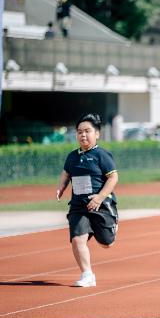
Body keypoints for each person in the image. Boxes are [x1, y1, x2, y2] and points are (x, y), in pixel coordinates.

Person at [56, 114, 119, 287]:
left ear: (97, 134)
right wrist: (61, 187)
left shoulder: (102, 155)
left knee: (107, 243)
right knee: (77, 239)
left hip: (101, 204)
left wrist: (100, 197)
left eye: (87, 131)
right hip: (78, 206)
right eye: (79, 132)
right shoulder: (72, 157)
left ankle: (111, 224)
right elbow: (66, 174)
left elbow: (113, 177)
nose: (83, 135)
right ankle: (87, 274)